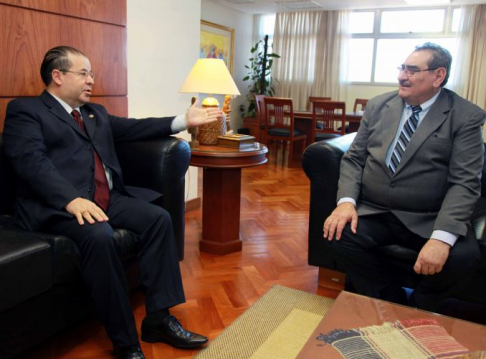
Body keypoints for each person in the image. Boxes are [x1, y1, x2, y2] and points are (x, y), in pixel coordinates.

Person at [3, 46, 222, 359]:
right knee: (100, 236)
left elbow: (135, 127)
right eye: (84, 73)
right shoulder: (26, 111)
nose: (91, 79)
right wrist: (70, 199)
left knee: (158, 219)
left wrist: (183, 120)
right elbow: (30, 162)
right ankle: (126, 342)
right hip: (58, 205)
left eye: (92, 73)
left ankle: (159, 319)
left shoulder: (95, 113)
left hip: (107, 198)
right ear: (57, 76)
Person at [323, 43, 486, 313]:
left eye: (412, 70)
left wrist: (441, 239)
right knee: (336, 234)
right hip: (377, 210)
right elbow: (354, 158)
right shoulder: (378, 105)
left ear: (438, 76)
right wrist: (346, 202)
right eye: (402, 68)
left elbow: (465, 182)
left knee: (463, 257)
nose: (402, 76)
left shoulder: (465, 116)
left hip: (429, 215)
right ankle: (393, 302)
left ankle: (420, 306)